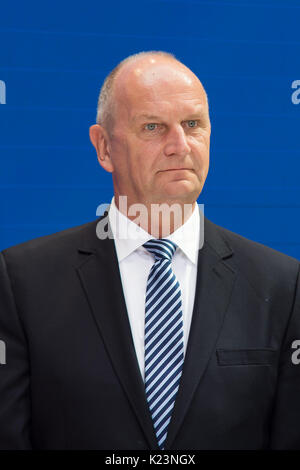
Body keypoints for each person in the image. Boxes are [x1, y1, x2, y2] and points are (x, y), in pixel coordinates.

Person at [0, 51, 299, 450]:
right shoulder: (22, 281)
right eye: (154, 127)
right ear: (104, 147)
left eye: (193, 124)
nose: (180, 146)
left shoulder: (281, 284)